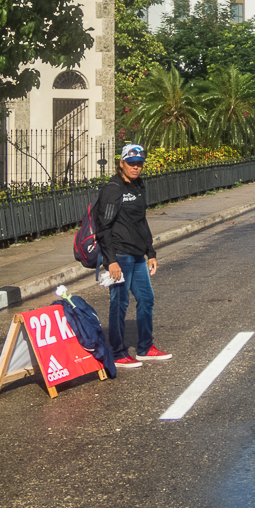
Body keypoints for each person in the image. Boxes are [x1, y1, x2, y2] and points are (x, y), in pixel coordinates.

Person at [94, 143, 171, 368]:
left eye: (139, 164)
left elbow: (141, 221)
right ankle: (117, 353)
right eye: (131, 163)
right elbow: (103, 227)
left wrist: (151, 251)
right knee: (120, 302)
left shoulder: (138, 186)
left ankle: (145, 348)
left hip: (137, 255)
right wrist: (111, 261)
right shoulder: (112, 189)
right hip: (120, 254)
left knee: (146, 299)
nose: (136, 168)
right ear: (122, 163)